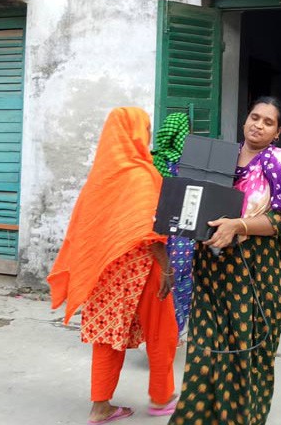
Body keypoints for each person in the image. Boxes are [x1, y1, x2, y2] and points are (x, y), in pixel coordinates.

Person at [169, 97, 281, 425]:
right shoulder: (221, 157)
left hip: (256, 272)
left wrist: (239, 225)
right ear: (245, 119)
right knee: (205, 350)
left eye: (268, 122)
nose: (258, 125)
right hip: (211, 267)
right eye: (255, 117)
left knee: (246, 354)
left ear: (278, 131)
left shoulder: (278, 162)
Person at [47, 107, 179, 424]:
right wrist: (168, 269)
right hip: (144, 268)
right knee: (163, 330)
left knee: (108, 337)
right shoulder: (140, 175)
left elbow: (87, 228)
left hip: (104, 270)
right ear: (135, 133)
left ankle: (100, 406)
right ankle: (162, 398)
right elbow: (149, 231)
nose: (148, 135)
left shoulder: (101, 177)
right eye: (145, 129)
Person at [151, 112, 194, 335]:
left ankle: (156, 334)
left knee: (160, 284)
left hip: (158, 235)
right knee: (183, 282)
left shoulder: (153, 161)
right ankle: (174, 333)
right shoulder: (188, 164)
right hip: (184, 234)